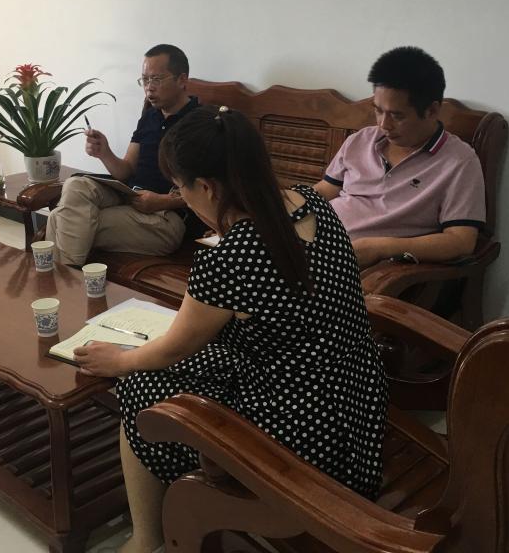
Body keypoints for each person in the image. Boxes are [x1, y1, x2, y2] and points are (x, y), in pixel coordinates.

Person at [75, 106, 387, 553]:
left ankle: (145, 539)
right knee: (201, 358)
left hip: (305, 445)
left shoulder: (231, 257)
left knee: (141, 385)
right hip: (359, 410)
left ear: (207, 187)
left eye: (181, 189)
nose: (183, 198)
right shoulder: (312, 202)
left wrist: (119, 360)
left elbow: (172, 350)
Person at [314, 46, 486, 269]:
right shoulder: (361, 140)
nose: (383, 125)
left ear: (432, 111)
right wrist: (285, 206)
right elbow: (326, 189)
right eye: (378, 110)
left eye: (397, 115)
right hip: (315, 241)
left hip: (363, 267)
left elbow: (461, 241)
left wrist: (380, 248)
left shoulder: (459, 162)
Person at [45, 44, 201, 266]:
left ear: (182, 79)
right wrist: (104, 152)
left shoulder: (200, 122)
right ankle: (67, 278)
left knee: (59, 218)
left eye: (156, 79)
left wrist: (162, 201)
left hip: (166, 218)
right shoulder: (149, 117)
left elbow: (212, 190)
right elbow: (126, 170)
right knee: (75, 185)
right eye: (144, 80)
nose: (149, 88)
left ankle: (63, 279)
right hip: (130, 197)